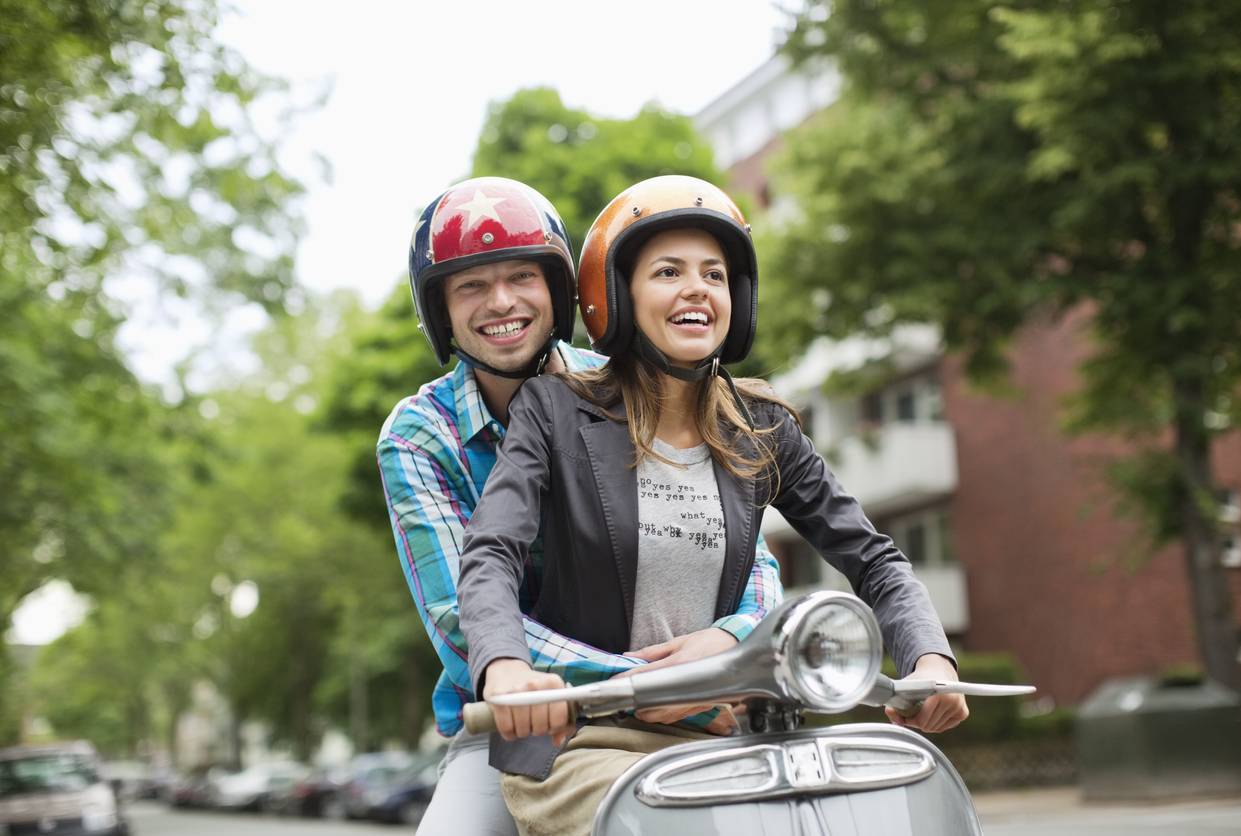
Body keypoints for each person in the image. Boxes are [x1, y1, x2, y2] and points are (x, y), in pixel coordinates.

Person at [458, 175, 969, 836]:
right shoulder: (554, 410)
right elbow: (491, 549)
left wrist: (931, 660)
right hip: (582, 744)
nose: (697, 288)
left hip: (723, 737)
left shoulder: (761, 428)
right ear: (615, 296)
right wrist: (504, 668)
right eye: (668, 271)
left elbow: (874, 559)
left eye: (716, 274)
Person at [377, 176, 784, 835]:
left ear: (562, 291)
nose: (501, 301)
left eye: (521, 277)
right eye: (471, 286)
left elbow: (742, 546)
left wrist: (728, 643)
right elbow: (461, 617)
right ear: (441, 311)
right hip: (524, 723)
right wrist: (650, 684)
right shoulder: (419, 435)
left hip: (696, 707)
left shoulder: (632, 384)